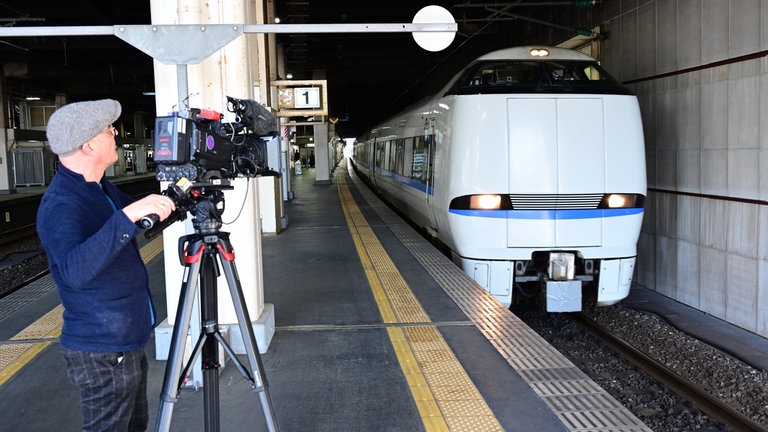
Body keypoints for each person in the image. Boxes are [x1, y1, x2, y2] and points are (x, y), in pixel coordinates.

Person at [36, 99, 176, 432]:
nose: (116, 134)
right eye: (109, 130)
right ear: (88, 145)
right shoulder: (61, 204)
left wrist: (180, 199)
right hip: (101, 350)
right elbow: (74, 270)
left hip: (124, 341)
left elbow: (143, 222)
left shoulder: (98, 188)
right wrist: (126, 217)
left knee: (133, 426)